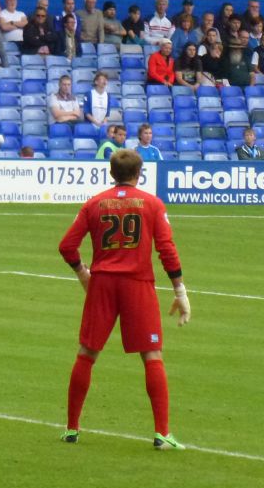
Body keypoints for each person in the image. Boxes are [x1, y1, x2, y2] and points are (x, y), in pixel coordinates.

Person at [57, 148, 190, 449]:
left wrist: (82, 273)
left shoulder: (94, 203)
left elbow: (67, 246)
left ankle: (71, 428)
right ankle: (161, 433)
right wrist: (180, 291)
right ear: (139, 174)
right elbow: (166, 249)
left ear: (111, 173)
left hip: (102, 283)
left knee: (87, 353)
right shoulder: (152, 204)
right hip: (137, 284)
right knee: (152, 355)